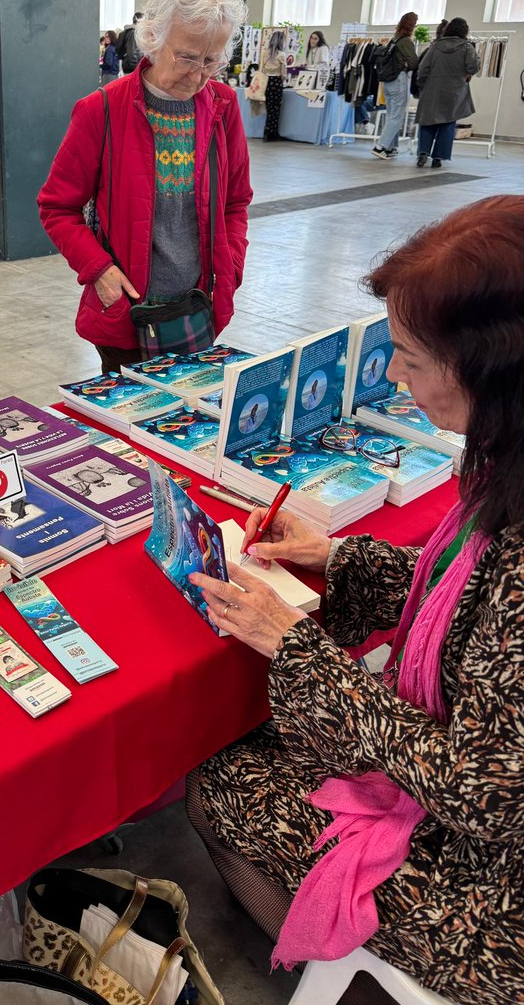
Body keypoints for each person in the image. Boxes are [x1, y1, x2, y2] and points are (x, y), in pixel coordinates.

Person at [185, 194, 524, 1004]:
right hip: (471, 816)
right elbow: (469, 611)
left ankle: (349, 969)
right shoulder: (506, 469)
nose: (394, 375)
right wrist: (336, 556)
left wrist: (298, 648)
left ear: (489, 367)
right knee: (265, 749)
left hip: (492, 895)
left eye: (410, 356)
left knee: (221, 784)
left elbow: (482, 791)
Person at [38, 0, 252, 374]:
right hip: (126, 318)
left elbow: (236, 202)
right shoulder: (101, 110)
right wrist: (99, 270)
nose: (198, 75)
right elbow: (56, 208)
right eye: (188, 57)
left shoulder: (223, 107)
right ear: (154, 36)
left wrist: (231, 265)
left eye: (212, 61)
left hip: (197, 311)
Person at [415, 17, 480, 169]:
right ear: (465, 31)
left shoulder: (435, 46)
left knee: (427, 122)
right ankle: (438, 157)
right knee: (448, 123)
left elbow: (423, 68)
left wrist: (422, 85)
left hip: (432, 89)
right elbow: (473, 68)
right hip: (455, 90)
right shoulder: (467, 47)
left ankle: (423, 153)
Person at [372, 11, 418, 159]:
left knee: (391, 114)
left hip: (388, 81)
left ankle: (391, 148)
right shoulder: (406, 41)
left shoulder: (395, 39)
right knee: (396, 117)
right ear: (412, 26)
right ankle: (380, 147)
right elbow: (414, 62)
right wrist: (406, 65)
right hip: (399, 80)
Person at [261, 29, 288, 142]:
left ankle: (267, 132)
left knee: (268, 108)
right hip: (276, 82)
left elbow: (262, 69)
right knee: (275, 109)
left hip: (266, 81)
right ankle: (272, 133)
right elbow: (283, 73)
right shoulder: (281, 55)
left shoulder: (264, 53)